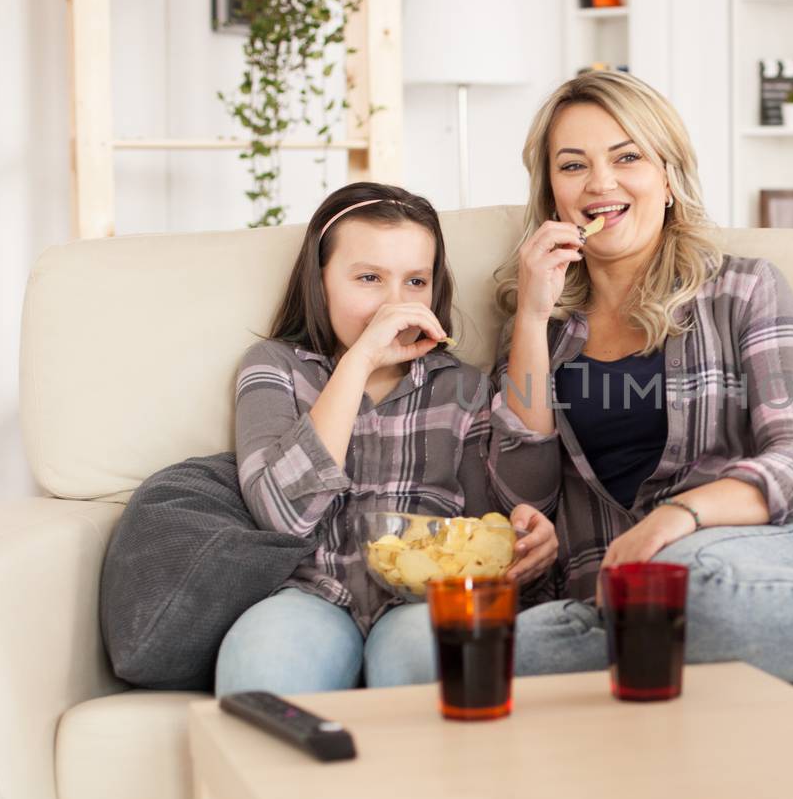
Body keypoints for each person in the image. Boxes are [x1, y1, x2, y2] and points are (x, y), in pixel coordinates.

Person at [489, 71, 793, 685]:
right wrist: (533, 315)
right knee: (440, 653)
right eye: (573, 166)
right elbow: (525, 497)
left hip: (747, 552)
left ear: (669, 178)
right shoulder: (535, 324)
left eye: (627, 157)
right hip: (607, 590)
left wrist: (678, 516)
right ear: (551, 192)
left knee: (690, 595)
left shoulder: (742, 289)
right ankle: (712, 651)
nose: (601, 183)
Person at [216, 181, 558, 698]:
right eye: (369, 278)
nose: (393, 306)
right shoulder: (274, 368)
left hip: (423, 600)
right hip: (311, 594)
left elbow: (493, 518)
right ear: (321, 280)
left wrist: (524, 533)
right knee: (260, 671)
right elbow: (283, 518)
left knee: (435, 664)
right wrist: (359, 361)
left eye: (415, 281)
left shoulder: (460, 387)